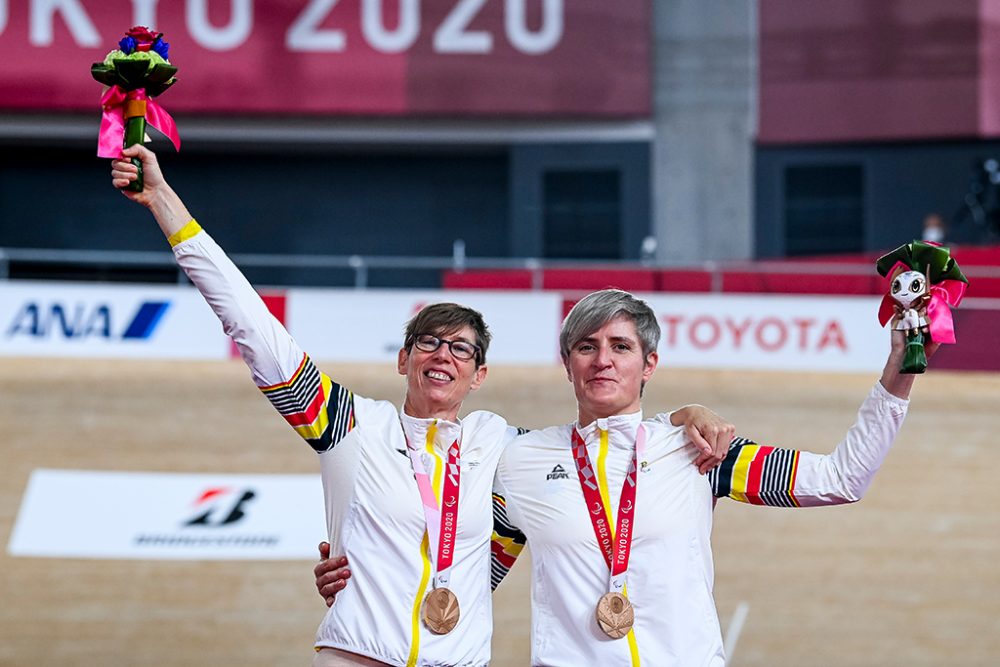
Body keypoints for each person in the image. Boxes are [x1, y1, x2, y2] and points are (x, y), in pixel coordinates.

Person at [109, 145, 734, 667]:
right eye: (428, 342)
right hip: (359, 655)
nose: (443, 355)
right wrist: (165, 202)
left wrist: (683, 415)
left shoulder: (503, 446)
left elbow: (606, 445)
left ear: (480, 374)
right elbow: (251, 326)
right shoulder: (348, 425)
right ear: (402, 359)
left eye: (461, 349)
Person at [317, 288, 923, 666]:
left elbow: (842, 477)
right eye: (586, 346)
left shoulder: (700, 450)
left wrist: (901, 365)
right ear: (567, 364)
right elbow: (467, 565)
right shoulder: (518, 461)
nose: (602, 358)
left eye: (620, 346)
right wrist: (365, 567)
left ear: (649, 363)